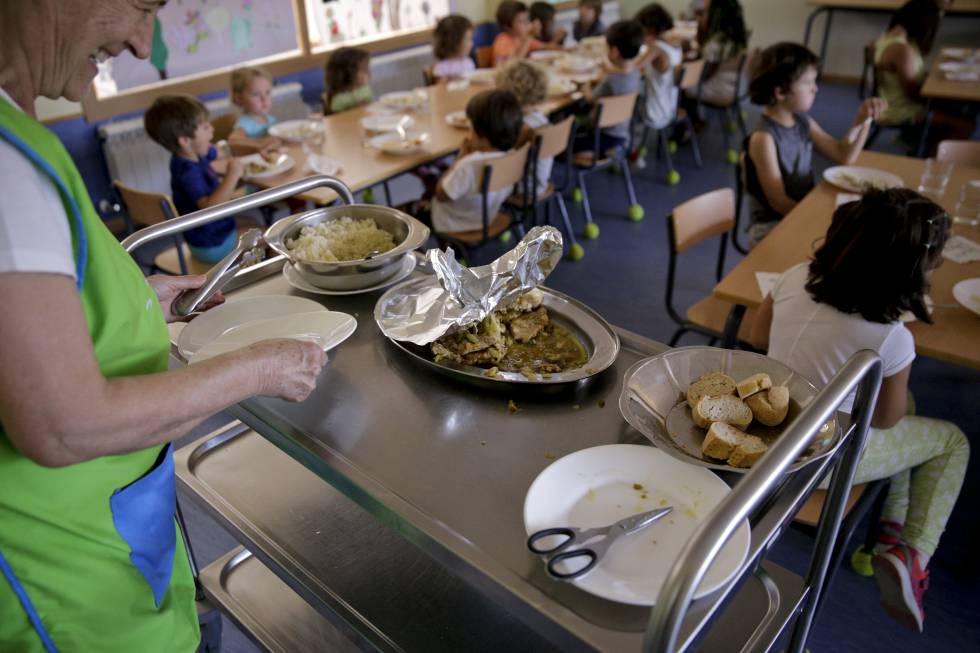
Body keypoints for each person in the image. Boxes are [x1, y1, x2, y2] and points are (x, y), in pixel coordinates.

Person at [0, 1, 327, 651]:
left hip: (109, 539)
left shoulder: (19, 136)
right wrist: (258, 366)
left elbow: (46, 310)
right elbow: (66, 423)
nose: (141, 40)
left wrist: (142, 297)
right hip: (71, 594)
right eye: (140, 5)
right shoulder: (7, 170)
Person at [749, 189, 968, 633]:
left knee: (908, 409)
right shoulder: (892, 339)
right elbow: (885, 420)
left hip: (771, 422)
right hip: (821, 458)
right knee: (950, 440)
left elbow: (755, 337)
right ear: (908, 272)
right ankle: (913, 551)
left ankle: (892, 526)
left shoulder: (793, 276)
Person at [744, 42, 886, 246]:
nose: (816, 88)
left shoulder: (802, 122)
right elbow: (779, 202)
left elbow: (843, 155)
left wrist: (863, 120)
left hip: (801, 210)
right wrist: (822, 219)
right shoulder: (763, 138)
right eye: (808, 82)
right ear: (780, 92)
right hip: (771, 226)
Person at [144, 94, 243, 263]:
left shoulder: (195, 153)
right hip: (211, 245)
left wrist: (259, 146)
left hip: (211, 235)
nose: (212, 129)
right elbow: (210, 208)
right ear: (184, 140)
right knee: (268, 238)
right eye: (205, 127)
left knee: (251, 221)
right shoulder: (187, 171)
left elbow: (223, 151)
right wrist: (232, 175)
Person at [874, 0, 975, 153]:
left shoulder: (887, 38)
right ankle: (933, 158)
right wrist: (941, 94)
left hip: (894, 101)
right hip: (903, 111)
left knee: (961, 106)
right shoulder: (902, 50)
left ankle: (921, 141)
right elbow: (913, 94)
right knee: (965, 124)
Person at [430, 89, 524, 234]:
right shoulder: (513, 155)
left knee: (422, 201)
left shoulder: (468, 165)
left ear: (483, 137)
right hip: (488, 216)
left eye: (471, 128)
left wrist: (459, 159)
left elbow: (441, 195)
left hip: (454, 222)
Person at [573, 20, 644, 154]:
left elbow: (590, 98)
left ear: (614, 51)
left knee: (565, 141)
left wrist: (586, 86)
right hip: (622, 133)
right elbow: (618, 71)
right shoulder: (636, 72)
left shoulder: (611, 81)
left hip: (601, 136)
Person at [682, 0, 748, 121]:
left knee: (682, 84)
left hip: (719, 87)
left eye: (705, 12)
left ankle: (689, 125)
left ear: (715, 16)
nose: (703, 15)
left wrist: (688, 61)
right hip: (735, 84)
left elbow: (704, 75)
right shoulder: (736, 37)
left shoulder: (714, 44)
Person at [495, 60, 552, 198]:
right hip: (539, 182)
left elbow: (498, 154)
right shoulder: (540, 119)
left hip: (523, 187)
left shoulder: (523, 128)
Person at [634, 3, 682, 132]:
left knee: (620, 98)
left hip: (656, 113)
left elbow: (630, 69)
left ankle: (626, 147)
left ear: (649, 29)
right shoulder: (675, 45)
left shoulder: (655, 49)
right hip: (672, 107)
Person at [227, 66, 283, 151]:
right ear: (239, 98)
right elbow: (233, 141)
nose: (264, 99)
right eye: (256, 94)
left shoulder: (270, 119)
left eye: (267, 92)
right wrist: (261, 143)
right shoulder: (246, 122)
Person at [324, 47, 372, 114]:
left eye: (367, 68)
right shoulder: (338, 99)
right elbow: (339, 119)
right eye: (364, 69)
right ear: (346, 74)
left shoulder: (364, 89)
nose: (369, 72)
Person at [491, 1, 541, 66]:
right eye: (521, 21)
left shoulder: (520, 37)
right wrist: (528, 36)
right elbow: (512, 65)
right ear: (507, 26)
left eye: (527, 20)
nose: (527, 24)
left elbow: (544, 46)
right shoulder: (502, 41)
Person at [431, 15, 475, 82]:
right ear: (455, 43)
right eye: (468, 39)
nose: (472, 43)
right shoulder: (442, 67)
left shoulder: (469, 62)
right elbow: (439, 89)